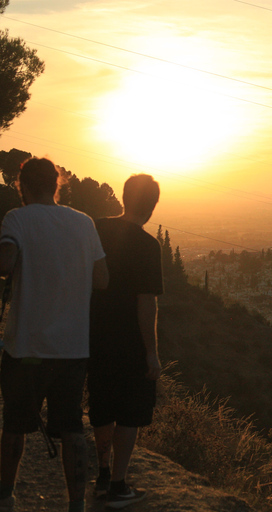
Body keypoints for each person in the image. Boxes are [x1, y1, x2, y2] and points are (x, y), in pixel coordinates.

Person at [0, 157, 109, 512]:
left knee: (15, 426)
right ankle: (75, 504)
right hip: (72, 349)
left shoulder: (17, 219)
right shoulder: (84, 223)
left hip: (26, 349)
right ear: (57, 184)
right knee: (72, 428)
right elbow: (102, 279)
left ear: (23, 187)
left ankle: (6, 497)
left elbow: (5, 264)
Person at [88, 174, 163, 509]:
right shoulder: (148, 246)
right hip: (130, 342)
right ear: (151, 207)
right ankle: (118, 484)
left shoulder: (96, 228)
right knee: (129, 412)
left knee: (102, 405)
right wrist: (152, 353)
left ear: (123, 197)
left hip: (92, 335)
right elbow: (146, 303)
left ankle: (102, 474)